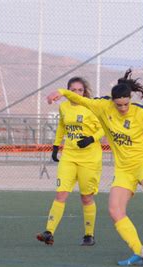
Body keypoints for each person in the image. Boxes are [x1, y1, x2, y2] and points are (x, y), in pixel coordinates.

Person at [47, 69, 143, 265]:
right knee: (115, 210)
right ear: (113, 101)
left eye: (126, 104)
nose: (123, 108)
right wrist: (61, 92)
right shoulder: (103, 107)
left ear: (130, 100)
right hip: (123, 169)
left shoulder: (139, 113)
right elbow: (82, 100)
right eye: (119, 105)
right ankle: (138, 252)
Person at [37, 77, 103, 246]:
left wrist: (91, 139)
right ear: (67, 92)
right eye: (72, 90)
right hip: (69, 157)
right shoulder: (64, 106)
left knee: (86, 198)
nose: (76, 93)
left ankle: (89, 235)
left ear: (84, 92)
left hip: (89, 159)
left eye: (79, 90)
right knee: (61, 194)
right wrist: (55, 146)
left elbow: (103, 128)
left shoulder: (90, 107)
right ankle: (49, 232)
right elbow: (61, 126)